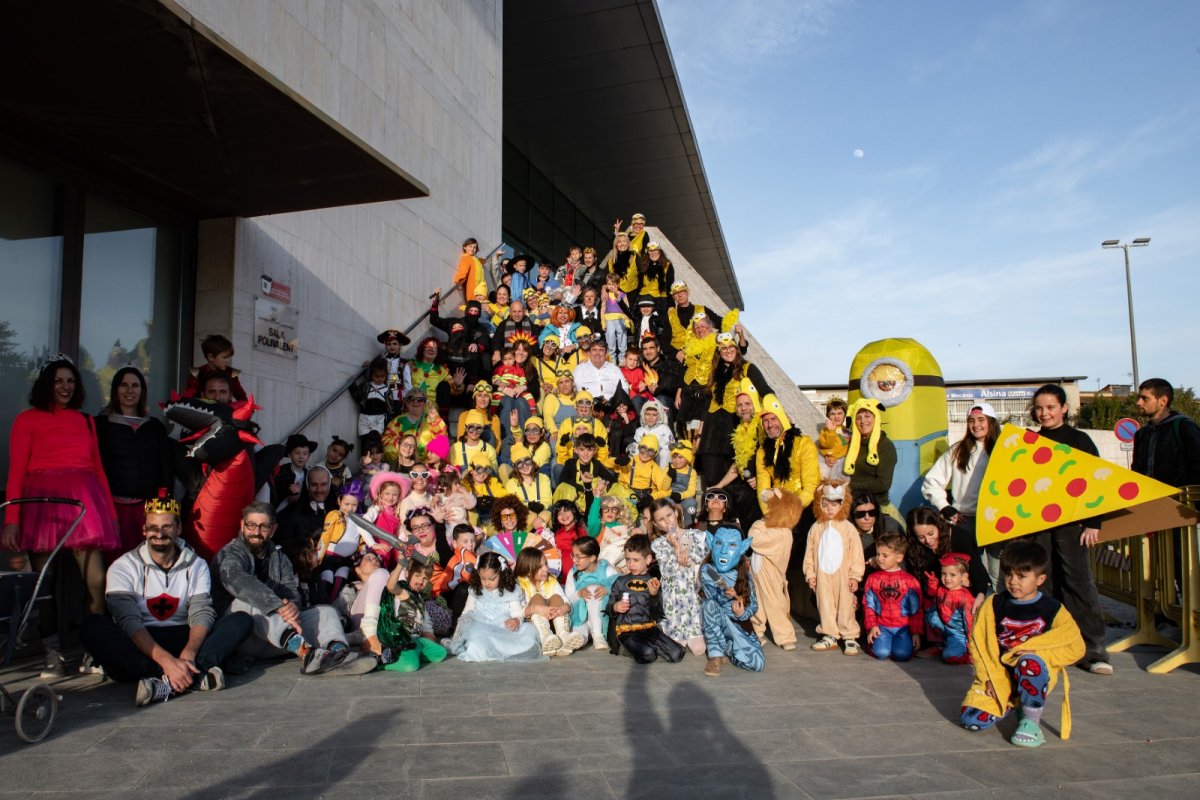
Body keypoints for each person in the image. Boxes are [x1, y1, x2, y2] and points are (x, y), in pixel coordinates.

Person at [3, 356, 120, 677]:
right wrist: (12, 519)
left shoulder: (85, 421)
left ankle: (92, 650)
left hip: (84, 504)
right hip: (42, 506)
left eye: (70, 381)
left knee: (96, 580)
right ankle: (52, 653)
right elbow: (16, 471)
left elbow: (98, 470)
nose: (65, 387)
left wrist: (110, 515)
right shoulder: (26, 419)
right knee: (45, 584)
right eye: (58, 381)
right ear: (46, 384)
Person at [79, 494, 253, 706]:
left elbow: (201, 612)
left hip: (183, 637)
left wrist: (188, 653)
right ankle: (185, 675)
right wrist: (167, 662)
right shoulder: (122, 567)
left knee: (242, 620)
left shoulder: (196, 564)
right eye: (152, 527)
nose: (159, 534)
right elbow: (129, 621)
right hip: (141, 644)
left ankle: (174, 678)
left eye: (166, 527)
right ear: (144, 530)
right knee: (92, 626)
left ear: (178, 529)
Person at [959, 540, 1085, 748]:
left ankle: (1031, 721)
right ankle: (1015, 703)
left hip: (1032, 671)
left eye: (1021, 576)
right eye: (1009, 574)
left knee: (1029, 662)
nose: (1013, 582)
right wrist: (988, 678)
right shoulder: (994, 604)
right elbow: (979, 645)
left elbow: (1075, 646)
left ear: (1040, 579)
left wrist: (1037, 652)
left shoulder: (1053, 609)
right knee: (971, 720)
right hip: (1001, 675)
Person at [212, 502, 363, 674]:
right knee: (252, 601)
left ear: (273, 529)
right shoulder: (230, 554)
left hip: (274, 637)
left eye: (263, 526)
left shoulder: (280, 559)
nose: (256, 531)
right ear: (242, 525)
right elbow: (239, 581)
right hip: (238, 636)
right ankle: (308, 654)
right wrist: (277, 605)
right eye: (251, 525)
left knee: (325, 612)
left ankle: (338, 654)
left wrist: (291, 605)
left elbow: (291, 592)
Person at [1028, 383, 1112, 675]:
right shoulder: (1029, 442)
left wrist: (1093, 523)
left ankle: (1094, 651)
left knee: (1078, 583)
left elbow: (1097, 481)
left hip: (1073, 525)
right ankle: (1052, 646)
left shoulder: (1080, 440)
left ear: (1064, 408)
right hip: (1039, 526)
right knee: (1043, 584)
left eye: (1050, 407)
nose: (1044, 413)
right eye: (1039, 408)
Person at [922, 402, 1000, 587]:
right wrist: (945, 507)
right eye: (971, 420)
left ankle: (996, 605)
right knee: (966, 575)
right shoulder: (958, 450)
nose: (976, 425)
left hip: (995, 520)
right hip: (964, 520)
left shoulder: (1003, 449)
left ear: (991, 422)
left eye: (981, 420)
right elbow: (931, 482)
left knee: (997, 573)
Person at [94, 365, 171, 553]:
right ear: (115, 389)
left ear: (142, 391)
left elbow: (165, 468)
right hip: (111, 510)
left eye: (135, 385)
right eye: (124, 385)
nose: (130, 390)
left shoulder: (154, 427)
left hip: (147, 509)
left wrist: (163, 505)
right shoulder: (101, 425)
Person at [905, 507, 989, 657]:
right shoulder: (915, 548)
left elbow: (977, 570)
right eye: (921, 537)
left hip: (963, 595)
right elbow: (916, 584)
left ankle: (968, 643)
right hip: (936, 598)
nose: (928, 541)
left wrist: (980, 594)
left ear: (939, 525)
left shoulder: (960, 536)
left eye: (931, 533)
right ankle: (938, 643)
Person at [698, 332, 773, 488]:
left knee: (735, 472)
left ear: (737, 349)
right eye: (723, 348)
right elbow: (707, 404)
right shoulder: (715, 372)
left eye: (731, 347)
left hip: (734, 423)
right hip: (712, 427)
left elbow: (765, 390)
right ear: (719, 352)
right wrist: (699, 433)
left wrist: (776, 411)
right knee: (711, 475)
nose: (728, 351)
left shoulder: (747, 368)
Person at [443, 551, 545, 662]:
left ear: (502, 574)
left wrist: (516, 620)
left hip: (502, 627)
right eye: (483, 578)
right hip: (480, 625)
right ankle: (487, 647)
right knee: (475, 634)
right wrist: (456, 637)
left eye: (492, 579)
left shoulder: (510, 591)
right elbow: (465, 614)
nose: (487, 583)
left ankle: (501, 648)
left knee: (528, 631)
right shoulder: (475, 590)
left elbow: (517, 612)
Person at [803, 480, 865, 655]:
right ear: (819, 505)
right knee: (825, 604)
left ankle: (850, 636)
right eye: (825, 505)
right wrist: (810, 574)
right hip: (822, 575)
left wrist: (855, 576)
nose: (830, 509)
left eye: (835, 504)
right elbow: (809, 553)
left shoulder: (848, 528)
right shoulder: (816, 527)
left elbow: (856, 554)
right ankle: (830, 634)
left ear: (843, 504)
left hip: (843, 575)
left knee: (846, 604)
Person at [606, 534, 686, 663]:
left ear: (648, 559)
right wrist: (615, 607)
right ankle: (626, 649)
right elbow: (609, 608)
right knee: (648, 654)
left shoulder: (653, 583)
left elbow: (658, 614)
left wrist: (654, 595)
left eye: (636, 560)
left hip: (649, 628)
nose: (631, 564)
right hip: (627, 631)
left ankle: (647, 646)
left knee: (677, 654)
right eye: (628, 559)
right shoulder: (620, 582)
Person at [699, 525, 763, 676]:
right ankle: (715, 655)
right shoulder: (708, 570)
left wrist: (742, 613)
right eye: (719, 543)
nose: (724, 551)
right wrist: (725, 595)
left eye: (732, 545)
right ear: (711, 543)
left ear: (742, 548)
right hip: (718, 621)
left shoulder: (745, 576)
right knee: (709, 605)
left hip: (737, 624)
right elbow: (711, 597)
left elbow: (754, 604)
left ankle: (729, 648)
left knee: (757, 664)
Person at [648, 498, 708, 656]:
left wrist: (680, 549)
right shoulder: (659, 544)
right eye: (661, 519)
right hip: (673, 601)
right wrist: (676, 548)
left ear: (676, 513)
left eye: (669, 515)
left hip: (693, 598)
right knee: (675, 647)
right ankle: (669, 628)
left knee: (699, 650)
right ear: (655, 524)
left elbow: (697, 559)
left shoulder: (695, 535)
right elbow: (669, 572)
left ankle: (695, 630)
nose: (667, 521)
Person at [747, 488, 804, 651]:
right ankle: (756, 631)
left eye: (773, 507)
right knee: (756, 602)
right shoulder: (764, 525)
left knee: (775, 604)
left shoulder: (783, 533)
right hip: (756, 571)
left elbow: (756, 540)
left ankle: (785, 636)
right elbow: (753, 537)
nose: (769, 511)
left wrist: (760, 528)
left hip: (771, 574)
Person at [861, 530, 923, 662]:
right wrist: (872, 626)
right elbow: (868, 605)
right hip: (881, 626)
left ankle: (898, 644)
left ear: (899, 558)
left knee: (902, 655)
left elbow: (916, 609)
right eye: (878, 554)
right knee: (881, 653)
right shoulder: (872, 579)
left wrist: (916, 632)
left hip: (903, 627)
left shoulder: (910, 581)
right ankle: (878, 644)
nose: (879, 558)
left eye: (885, 555)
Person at [754, 395, 820, 516]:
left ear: (783, 419)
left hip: (803, 507)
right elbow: (762, 489)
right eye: (765, 421)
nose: (769, 425)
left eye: (773, 418)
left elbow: (811, 486)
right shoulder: (762, 452)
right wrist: (768, 514)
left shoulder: (804, 443)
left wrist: (792, 509)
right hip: (776, 508)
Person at [514, 548, 586, 656]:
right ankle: (545, 637)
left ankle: (563, 636)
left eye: (546, 564)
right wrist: (536, 608)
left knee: (556, 597)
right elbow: (518, 611)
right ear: (528, 571)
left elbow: (566, 601)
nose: (546, 568)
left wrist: (563, 609)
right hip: (534, 625)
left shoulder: (551, 580)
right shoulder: (520, 584)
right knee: (537, 598)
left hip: (554, 622)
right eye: (540, 567)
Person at [1132, 378, 1200, 487]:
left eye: (1145, 398)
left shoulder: (1184, 427)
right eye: (1139, 398)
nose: (1138, 402)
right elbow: (1136, 472)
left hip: (1179, 496)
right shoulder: (1141, 434)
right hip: (1149, 496)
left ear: (1163, 401)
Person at [843, 398, 899, 522]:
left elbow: (883, 484)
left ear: (876, 418)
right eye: (858, 417)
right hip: (852, 506)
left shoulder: (885, 445)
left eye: (867, 416)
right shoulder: (852, 445)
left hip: (876, 508)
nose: (863, 421)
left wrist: (850, 487)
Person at [564, 536, 618, 649]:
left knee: (592, 589)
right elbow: (568, 598)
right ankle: (580, 638)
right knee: (578, 634)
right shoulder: (573, 573)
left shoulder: (607, 570)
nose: (574, 560)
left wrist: (607, 589)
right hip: (581, 617)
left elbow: (620, 587)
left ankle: (597, 635)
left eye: (578, 557)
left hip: (600, 616)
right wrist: (579, 594)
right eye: (573, 555)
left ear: (592, 558)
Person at [926, 552, 976, 665]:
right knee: (931, 615)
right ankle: (940, 644)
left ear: (964, 577)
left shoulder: (965, 597)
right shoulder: (941, 590)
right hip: (945, 629)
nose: (947, 578)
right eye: (944, 574)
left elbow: (970, 624)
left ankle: (965, 654)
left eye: (952, 575)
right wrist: (932, 588)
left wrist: (972, 648)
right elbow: (928, 606)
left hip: (960, 634)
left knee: (949, 656)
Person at [275, 465, 334, 560]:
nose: (319, 490)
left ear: (329, 485)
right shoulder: (291, 513)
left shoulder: (337, 509)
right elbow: (281, 546)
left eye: (323, 485)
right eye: (314, 485)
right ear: (307, 485)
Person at [350, 358, 397, 452]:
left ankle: (376, 459)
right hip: (365, 417)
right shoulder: (366, 385)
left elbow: (390, 407)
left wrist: (389, 419)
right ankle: (364, 459)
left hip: (379, 418)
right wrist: (352, 384)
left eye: (382, 376)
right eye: (377, 376)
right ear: (372, 375)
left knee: (376, 442)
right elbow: (358, 396)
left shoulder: (387, 389)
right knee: (365, 441)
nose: (380, 379)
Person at [183, 334, 247, 401]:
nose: (228, 361)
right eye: (224, 357)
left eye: (229, 357)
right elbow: (188, 398)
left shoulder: (231, 373)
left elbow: (242, 398)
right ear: (211, 357)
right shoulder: (198, 374)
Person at [273, 434, 316, 513]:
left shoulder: (309, 473)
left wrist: (301, 493)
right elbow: (276, 491)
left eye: (305, 453)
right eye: (297, 453)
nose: (301, 457)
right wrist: (289, 491)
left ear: (309, 455)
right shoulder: (282, 471)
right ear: (289, 454)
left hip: (300, 512)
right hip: (280, 512)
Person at [573, 338, 624, 403]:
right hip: (587, 405)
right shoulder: (580, 369)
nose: (597, 353)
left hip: (612, 404)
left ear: (606, 353)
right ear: (589, 353)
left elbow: (624, 388)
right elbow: (575, 389)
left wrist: (614, 401)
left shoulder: (614, 369)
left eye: (601, 350)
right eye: (594, 350)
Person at [666, 281, 706, 355]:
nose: (680, 295)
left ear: (688, 292)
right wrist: (676, 353)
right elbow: (664, 341)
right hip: (679, 358)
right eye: (676, 293)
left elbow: (722, 322)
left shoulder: (702, 310)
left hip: (700, 355)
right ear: (673, 297)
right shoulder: (670, 314)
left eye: (682, 291)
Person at [815, 398, 851, 481]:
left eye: (839, 413)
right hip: (828, 463)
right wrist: (831, 431)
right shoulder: (826, 430)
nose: (836, 416)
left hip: (841, 462)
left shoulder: (848, 431)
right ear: (828, 416)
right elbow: (826, 444)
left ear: (844, 414)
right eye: (833, 414)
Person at [452, 237, 485, 304]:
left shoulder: (474, 259)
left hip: (480, 289)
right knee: (474, 305)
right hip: (474, 289)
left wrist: (482, 261)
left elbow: (476, 265)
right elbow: (463, 271)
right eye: (470, 246)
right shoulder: (466, 257)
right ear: (465, 247)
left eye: (474, 247)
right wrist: (458, 281)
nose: (472, 249)